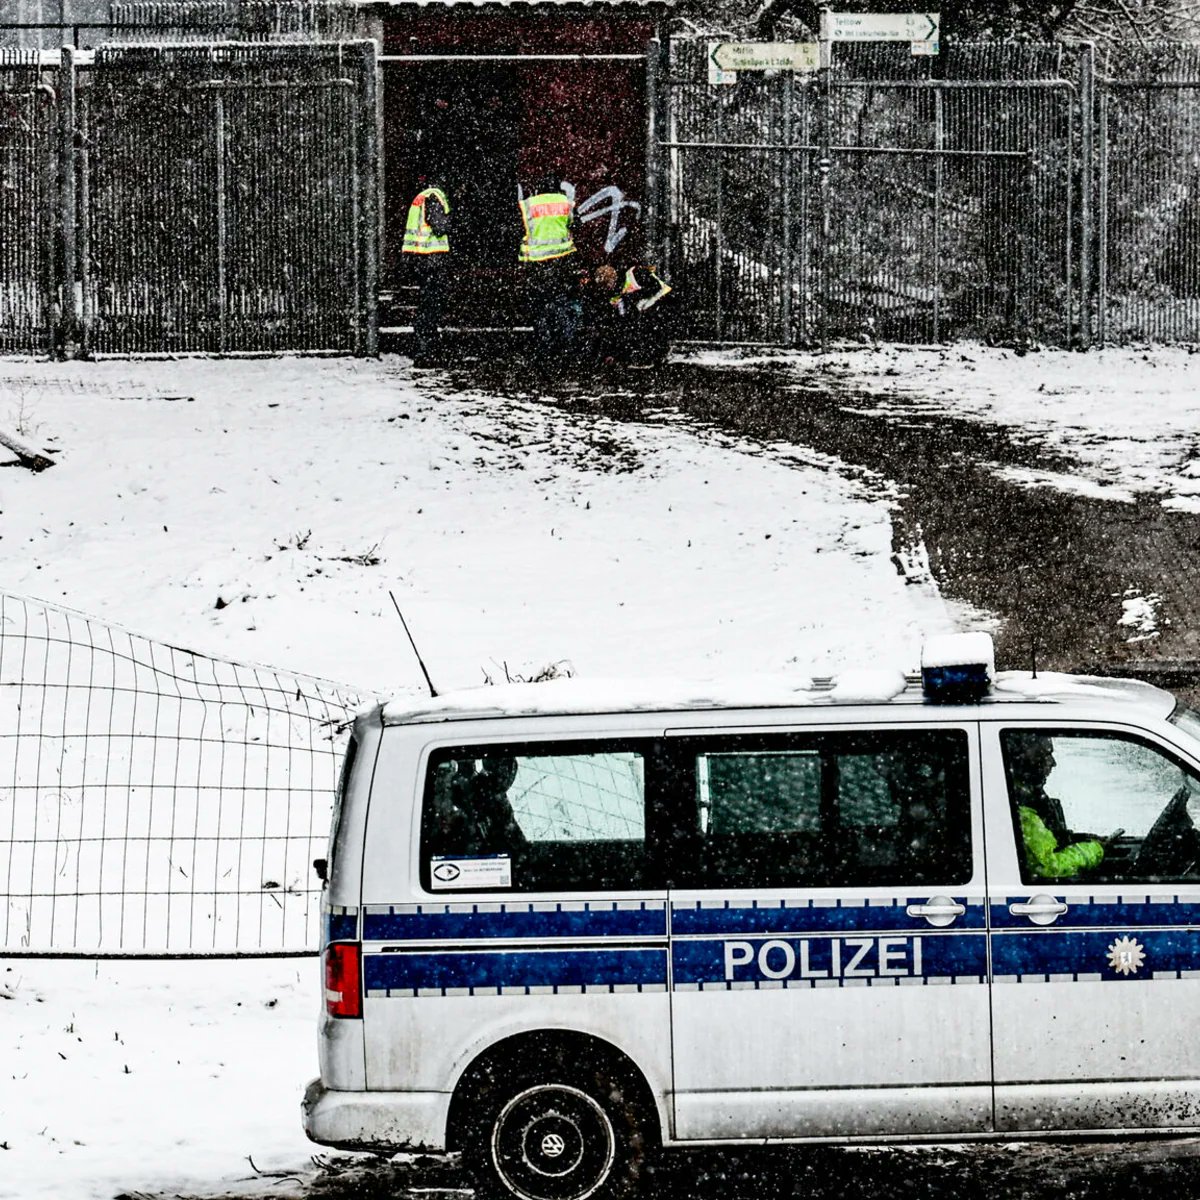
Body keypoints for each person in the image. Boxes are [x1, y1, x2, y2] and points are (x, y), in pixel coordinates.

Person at [1005, 732, 1105, 879]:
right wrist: (1095, 850)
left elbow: (1048, 839)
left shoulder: (1028, 798)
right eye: (1046, 754)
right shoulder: (1020, 812)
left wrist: (1075, 839)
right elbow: (1049, 867)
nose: (1053, 763)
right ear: (1025, 758)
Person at [518, 176, 577, 369]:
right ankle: (565, 349)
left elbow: (522, 230)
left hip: (537, 264)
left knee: (540, 307)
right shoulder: (565, 203)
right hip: (561, 261)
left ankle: (543, 350)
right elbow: (573, 224)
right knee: (560, 304)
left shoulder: (528, 205)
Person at [401, 177, 451, 368]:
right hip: (431, 259)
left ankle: (425, 348)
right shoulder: (434, 197)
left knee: (427, 304)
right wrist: (451, 220)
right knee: (431, 306)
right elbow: (440, 227)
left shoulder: (420, 197)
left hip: (421, 259)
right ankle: (425, 351)